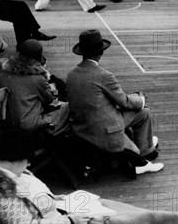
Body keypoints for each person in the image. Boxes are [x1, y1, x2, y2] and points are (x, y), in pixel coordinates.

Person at [0, 130, 178, 224]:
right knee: (142, 218)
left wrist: (64, 201)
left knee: (139, 215)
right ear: (19, 158)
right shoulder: (1, 191)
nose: (29, 163)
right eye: (26, 159)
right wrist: (76, 218)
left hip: (66, 208)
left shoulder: (2, 176)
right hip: (72, 219)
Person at [67, 29, 163, 175]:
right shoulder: (104, 75)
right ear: (101, 53)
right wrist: (141, 99)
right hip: (106, 130)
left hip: (83, 127)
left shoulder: (71, 74)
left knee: (142, 112)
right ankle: (143, 154)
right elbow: (124, 102)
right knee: (143, 113)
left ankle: (146, 147)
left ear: (82, 52)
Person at [0, 39, 70, 135]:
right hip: (28, 125)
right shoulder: (37, 78)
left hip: (6, 123)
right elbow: (49, 100)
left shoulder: (2, 75)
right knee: (67, 107)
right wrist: (47, 78)